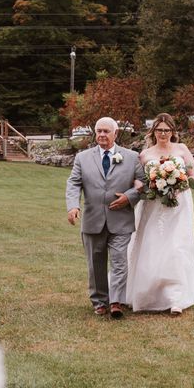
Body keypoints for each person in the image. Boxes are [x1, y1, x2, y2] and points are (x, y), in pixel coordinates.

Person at [66, 117, 144, 318]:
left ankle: (116, 301)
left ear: (115, 134)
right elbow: (74, 183)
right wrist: (73, 205)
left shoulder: (131, 157)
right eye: (98, 131)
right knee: (96, 263)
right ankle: (100, 301)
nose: (101, 135)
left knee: (119, 261)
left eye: (106, 131)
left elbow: (143, 184)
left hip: (121, 220)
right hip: (92, 220)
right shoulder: (82, 158)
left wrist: (129, 197)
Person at [126, 113, 194, 315]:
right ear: (153, 132)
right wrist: (148, 186)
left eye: (167, 130)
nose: (163, 134)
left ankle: (176, 298)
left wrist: (178, 185)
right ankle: (148, 295)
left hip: (179, 206)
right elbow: (138, 181)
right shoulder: (144, 155)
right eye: (159, 130)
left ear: (172, 132)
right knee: (152, 247)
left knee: (177, 248)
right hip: (153, 206)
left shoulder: (182, 149)